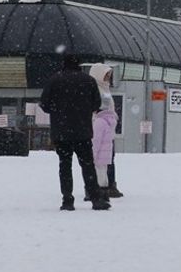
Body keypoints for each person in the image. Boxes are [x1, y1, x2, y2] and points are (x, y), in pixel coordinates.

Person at [39, 56, 109, 211]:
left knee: (65, 165)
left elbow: (44, 104)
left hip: (61, 132)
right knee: (87, 165)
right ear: (79, 65)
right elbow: (97, 104)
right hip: (82, 131)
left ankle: (67, 200)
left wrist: (58, 112)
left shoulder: (54, 80)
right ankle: (95, 198)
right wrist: (82, 110)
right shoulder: (88, 81)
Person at [87, 63, 123, 200]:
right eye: (106, 75)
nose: (108, 78)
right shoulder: (94, 89)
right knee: (99, 157)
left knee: (108, 157)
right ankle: (100, 185)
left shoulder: (106, 89)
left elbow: (110, 107)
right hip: (98, 126)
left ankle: (109, 184)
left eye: (109, 75)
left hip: (108, 127)